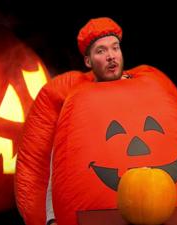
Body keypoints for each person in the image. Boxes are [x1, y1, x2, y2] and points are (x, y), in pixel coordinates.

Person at [45, 17, 131, 225]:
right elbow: (60, 164)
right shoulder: (77, 105)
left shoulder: (146, 93)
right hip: (97, 212)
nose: (111, 56)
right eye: (101, 51)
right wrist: (52, 218)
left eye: (115, 48)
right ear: (88, 61)